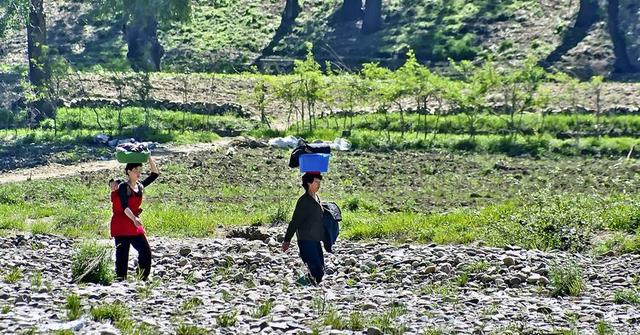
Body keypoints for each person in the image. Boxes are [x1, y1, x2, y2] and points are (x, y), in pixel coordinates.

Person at [110, 156, 159, 281]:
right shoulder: (123, 187)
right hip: (122, 223)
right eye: (135, 170)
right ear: (128, 172)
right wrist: (134, 219)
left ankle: (142, 278)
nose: (138, 173)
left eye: (139, 170)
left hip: (133, 224)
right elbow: (125, 206)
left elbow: (155, 174)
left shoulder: (140, 186)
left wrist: (148, 157)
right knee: (122, 255)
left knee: (146, 252)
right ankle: (121, 281)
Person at [282, 172, 326, 284]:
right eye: (316, 182)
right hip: (306, 239)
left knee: (320, 269)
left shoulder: (316, 198)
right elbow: (294, 222)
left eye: (319, 182)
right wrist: (287, 240)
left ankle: (308, 287)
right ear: (308, 183)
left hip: (315, 240)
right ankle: (301, 288)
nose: (318, 184)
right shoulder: (304, 201)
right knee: (316, 270)